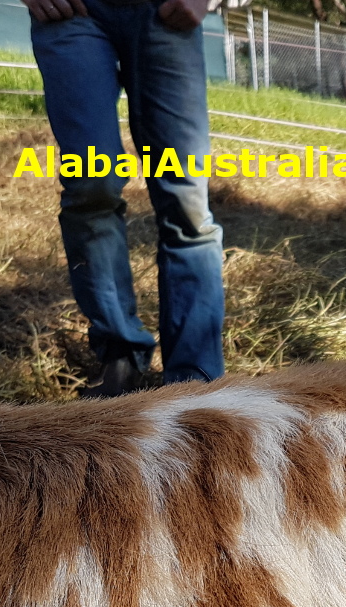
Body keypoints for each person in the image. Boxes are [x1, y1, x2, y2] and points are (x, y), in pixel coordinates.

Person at [23, 0, 225, 393]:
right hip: (72, 13)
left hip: (166, 11)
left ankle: (195, 378)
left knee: (185, 197)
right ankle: (120, 358)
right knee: (91, 181)